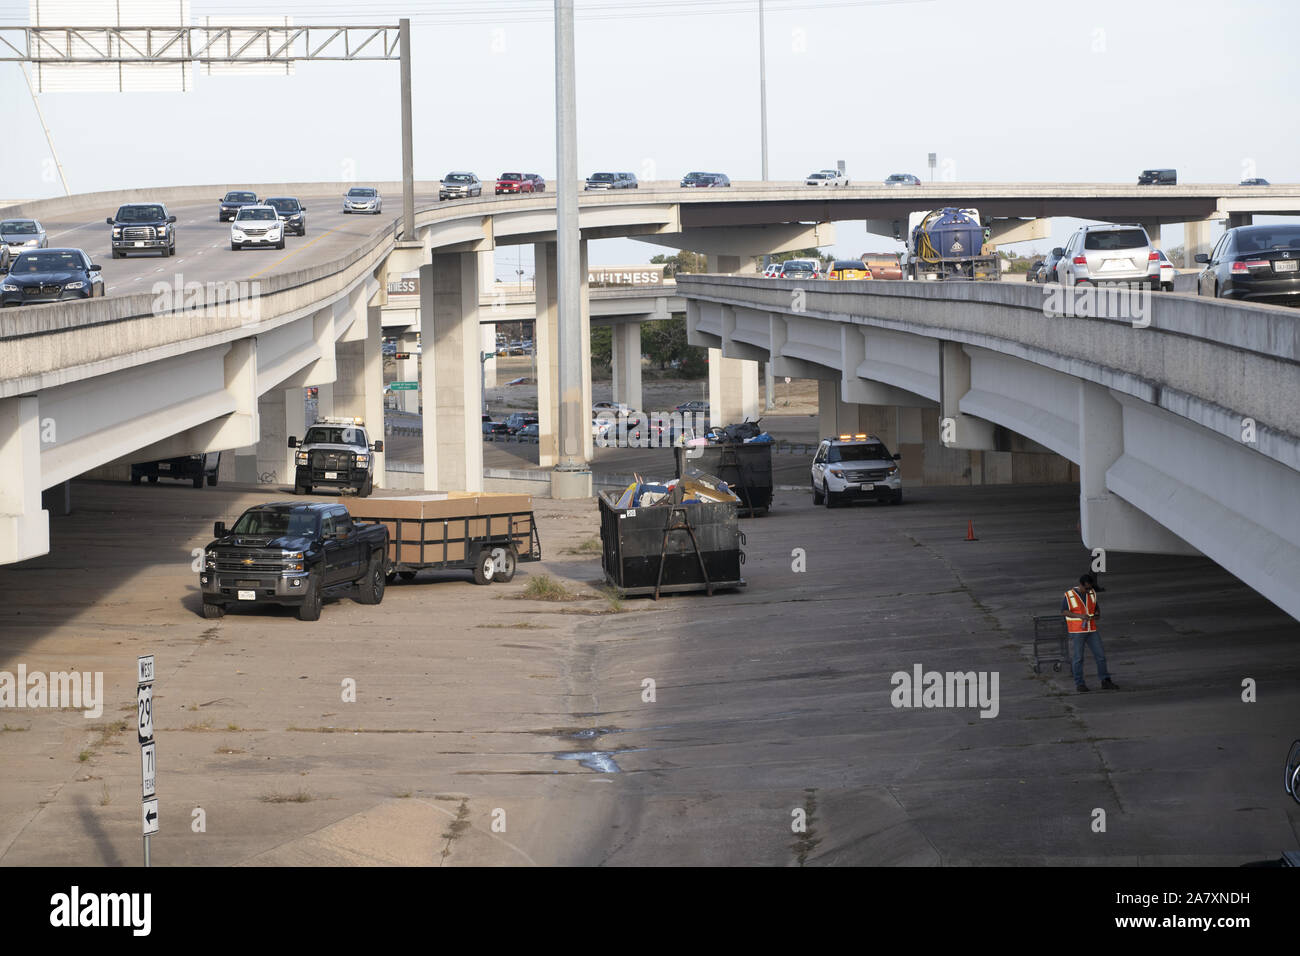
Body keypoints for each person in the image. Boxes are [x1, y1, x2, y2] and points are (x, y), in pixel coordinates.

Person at [1062, 573, 1118, 692]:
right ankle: (1080, 684)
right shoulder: (1069, 595)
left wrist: (1097, 614)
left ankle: (1105, 680)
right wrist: (1080, 616)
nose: (1088, 590)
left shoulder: (1092, 593)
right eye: (1086, 588)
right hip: (1077, 631)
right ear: (1080, 585)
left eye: (1090, 588)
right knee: (1078, 658)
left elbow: (1096, 607)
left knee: (1101, 656)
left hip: (1091, 629)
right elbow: (1064, 611)